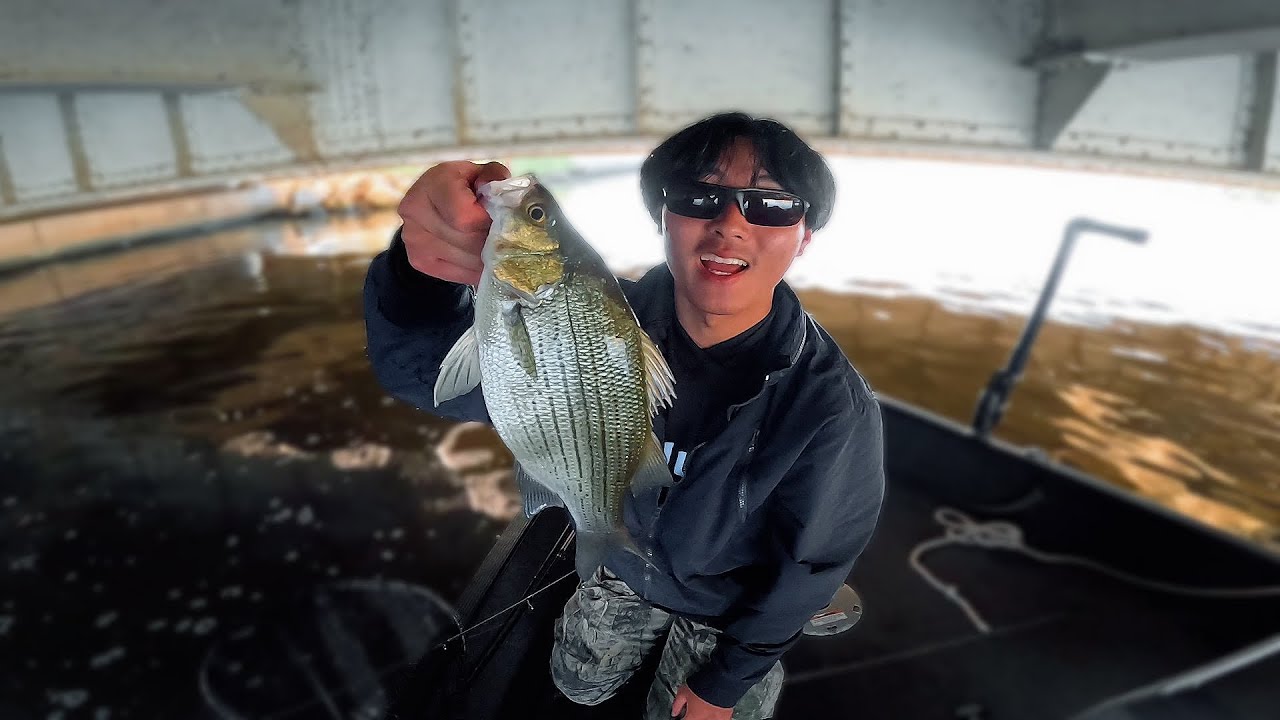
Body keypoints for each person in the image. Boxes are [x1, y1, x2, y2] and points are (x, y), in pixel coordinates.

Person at [363, 112, 885, 720]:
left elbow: (812, 566)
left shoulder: (830, 406)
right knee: (577, 687)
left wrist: (724, 684)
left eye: (769, 205)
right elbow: (418, 373)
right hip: (619, 571)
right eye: (700, 196)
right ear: (663, 217)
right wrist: (417, 274)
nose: (730, 224)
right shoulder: (589, 318)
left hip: (727, 606)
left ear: (804, 237)